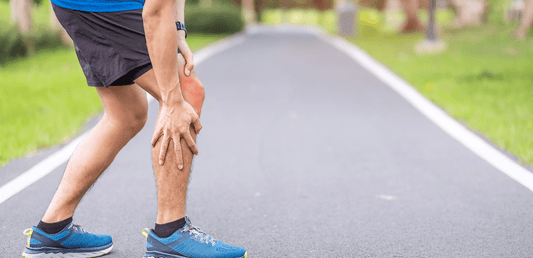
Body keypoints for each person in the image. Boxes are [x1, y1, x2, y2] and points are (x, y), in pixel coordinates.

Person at [21, 0, 247, 257]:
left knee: (127, 114)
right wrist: (173, 101)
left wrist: (178, 30)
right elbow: (156, 10)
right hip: (102, 6)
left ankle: (53, 228)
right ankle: (170, 232)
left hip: (86, 5)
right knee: (186, 92)